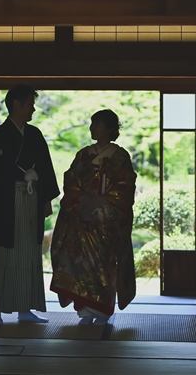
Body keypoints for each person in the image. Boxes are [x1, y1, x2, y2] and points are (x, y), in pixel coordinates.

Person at [0, 85, 59, 324]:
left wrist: (47, 200)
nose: (33, 108)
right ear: (17, 105)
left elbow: (46, 170)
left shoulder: (35, 136)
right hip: (3, 204)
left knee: (29, 252)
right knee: (2, 254)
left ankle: (25, 308)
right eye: (30, 103)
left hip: (30, 200)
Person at [49, 109, 136, 325]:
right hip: (82, 220)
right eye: (91, 124)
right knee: (81, 265)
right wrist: (83, 199)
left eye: (96, 124)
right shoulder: (82, 155)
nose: (91, 128)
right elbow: (71, 181)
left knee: (104, 265)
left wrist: (103, 202)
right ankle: (86, 312)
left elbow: (125, 188)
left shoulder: (120, 156)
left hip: (106, 222)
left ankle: (103, 311)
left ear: (108, 128)